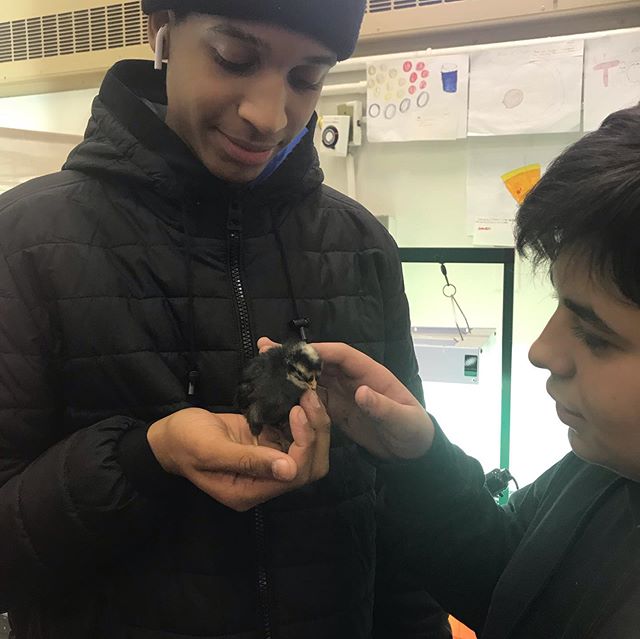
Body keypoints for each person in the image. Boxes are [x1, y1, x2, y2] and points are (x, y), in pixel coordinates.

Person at [0, 1, 451, 638]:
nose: (270, 117)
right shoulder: (22, 246)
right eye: (234, 59)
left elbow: (401, 526)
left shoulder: (361, 244)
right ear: (162, 35)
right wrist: (140, 461)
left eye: (307, 77)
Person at [292, 105, 640, 638]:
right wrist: (419, 463)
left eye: (596, 335)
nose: (541, 350)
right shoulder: (603, 472)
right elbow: (511, 580)